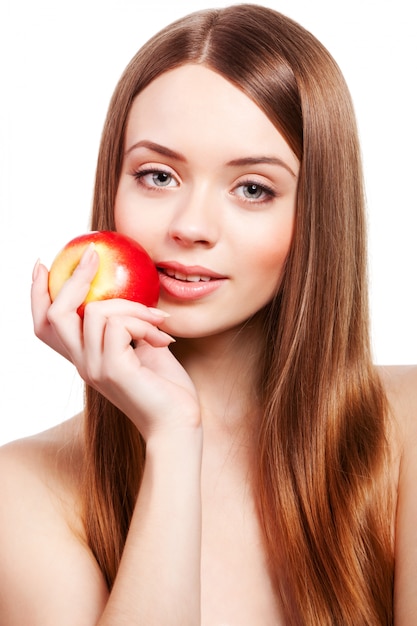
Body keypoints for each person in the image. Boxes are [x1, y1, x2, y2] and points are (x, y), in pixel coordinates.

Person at [0, 4, 416, 625]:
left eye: (253, 188)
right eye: (158, 175)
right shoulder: (22, 489)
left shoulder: (405, 428)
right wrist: (172, 438)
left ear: (316, 217)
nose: (190, 227)